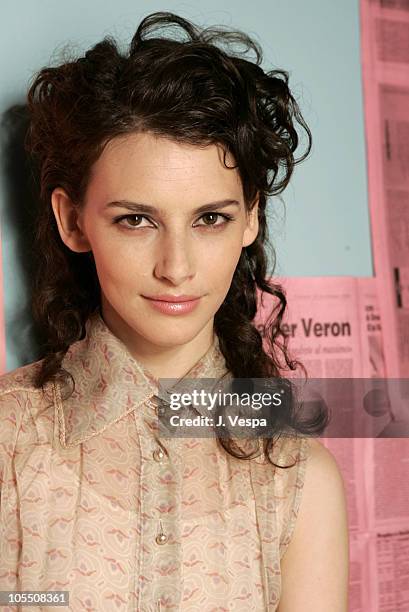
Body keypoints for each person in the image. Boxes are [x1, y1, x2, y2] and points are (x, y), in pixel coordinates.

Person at [0, 11, 349, 611]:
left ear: (251, 219)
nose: (177, 267)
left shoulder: (298, 477)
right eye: (136, 220)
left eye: (210, 218)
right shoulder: (7, 443)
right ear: (72, 220)